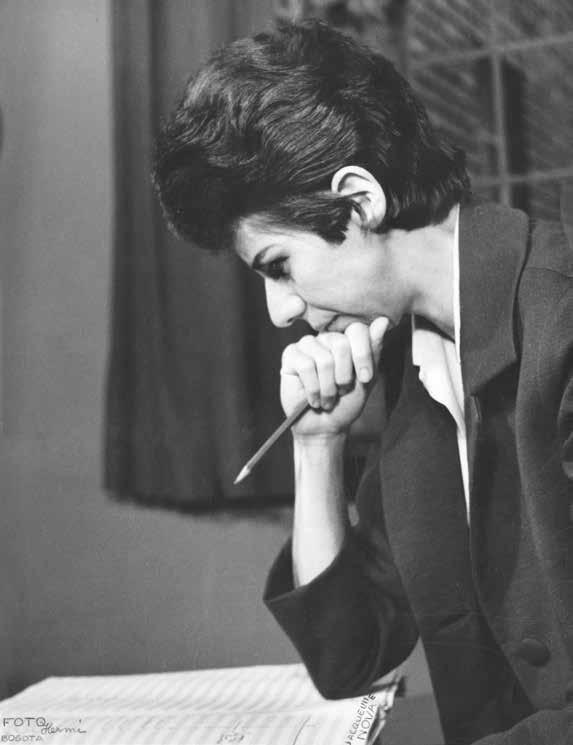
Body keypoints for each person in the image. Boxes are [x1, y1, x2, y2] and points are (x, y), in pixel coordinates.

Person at [153, 19, 573, 745]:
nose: (281, 312)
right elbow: (349, 657)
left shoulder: (559, 318)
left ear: (358, 202)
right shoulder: (423, 366)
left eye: (279, 266)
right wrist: (317, 445)